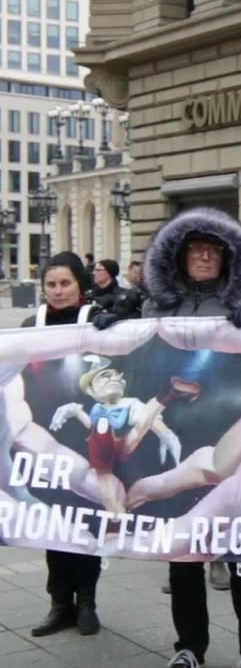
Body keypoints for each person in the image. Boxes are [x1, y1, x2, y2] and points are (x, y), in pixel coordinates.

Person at [125, 207, 241, 668]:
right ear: (179, 258)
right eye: (195, 249)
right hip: (176, 441)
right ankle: (189, 647)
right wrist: (113, 324)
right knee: (183, 551)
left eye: (213, 250)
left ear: (229, 259)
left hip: (233, 436)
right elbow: (140, 365)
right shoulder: (155, 309)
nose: (205, 256)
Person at [22, 251, 103, 639]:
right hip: (43, 438)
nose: (57, 291)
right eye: (50, 285)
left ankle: (87, 600)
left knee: (86, 519)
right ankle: (60, 603)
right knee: (53, 521)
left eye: (64, 283)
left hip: (88, 435)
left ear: (79, 285)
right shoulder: (28, 326)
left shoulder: (101, 322)